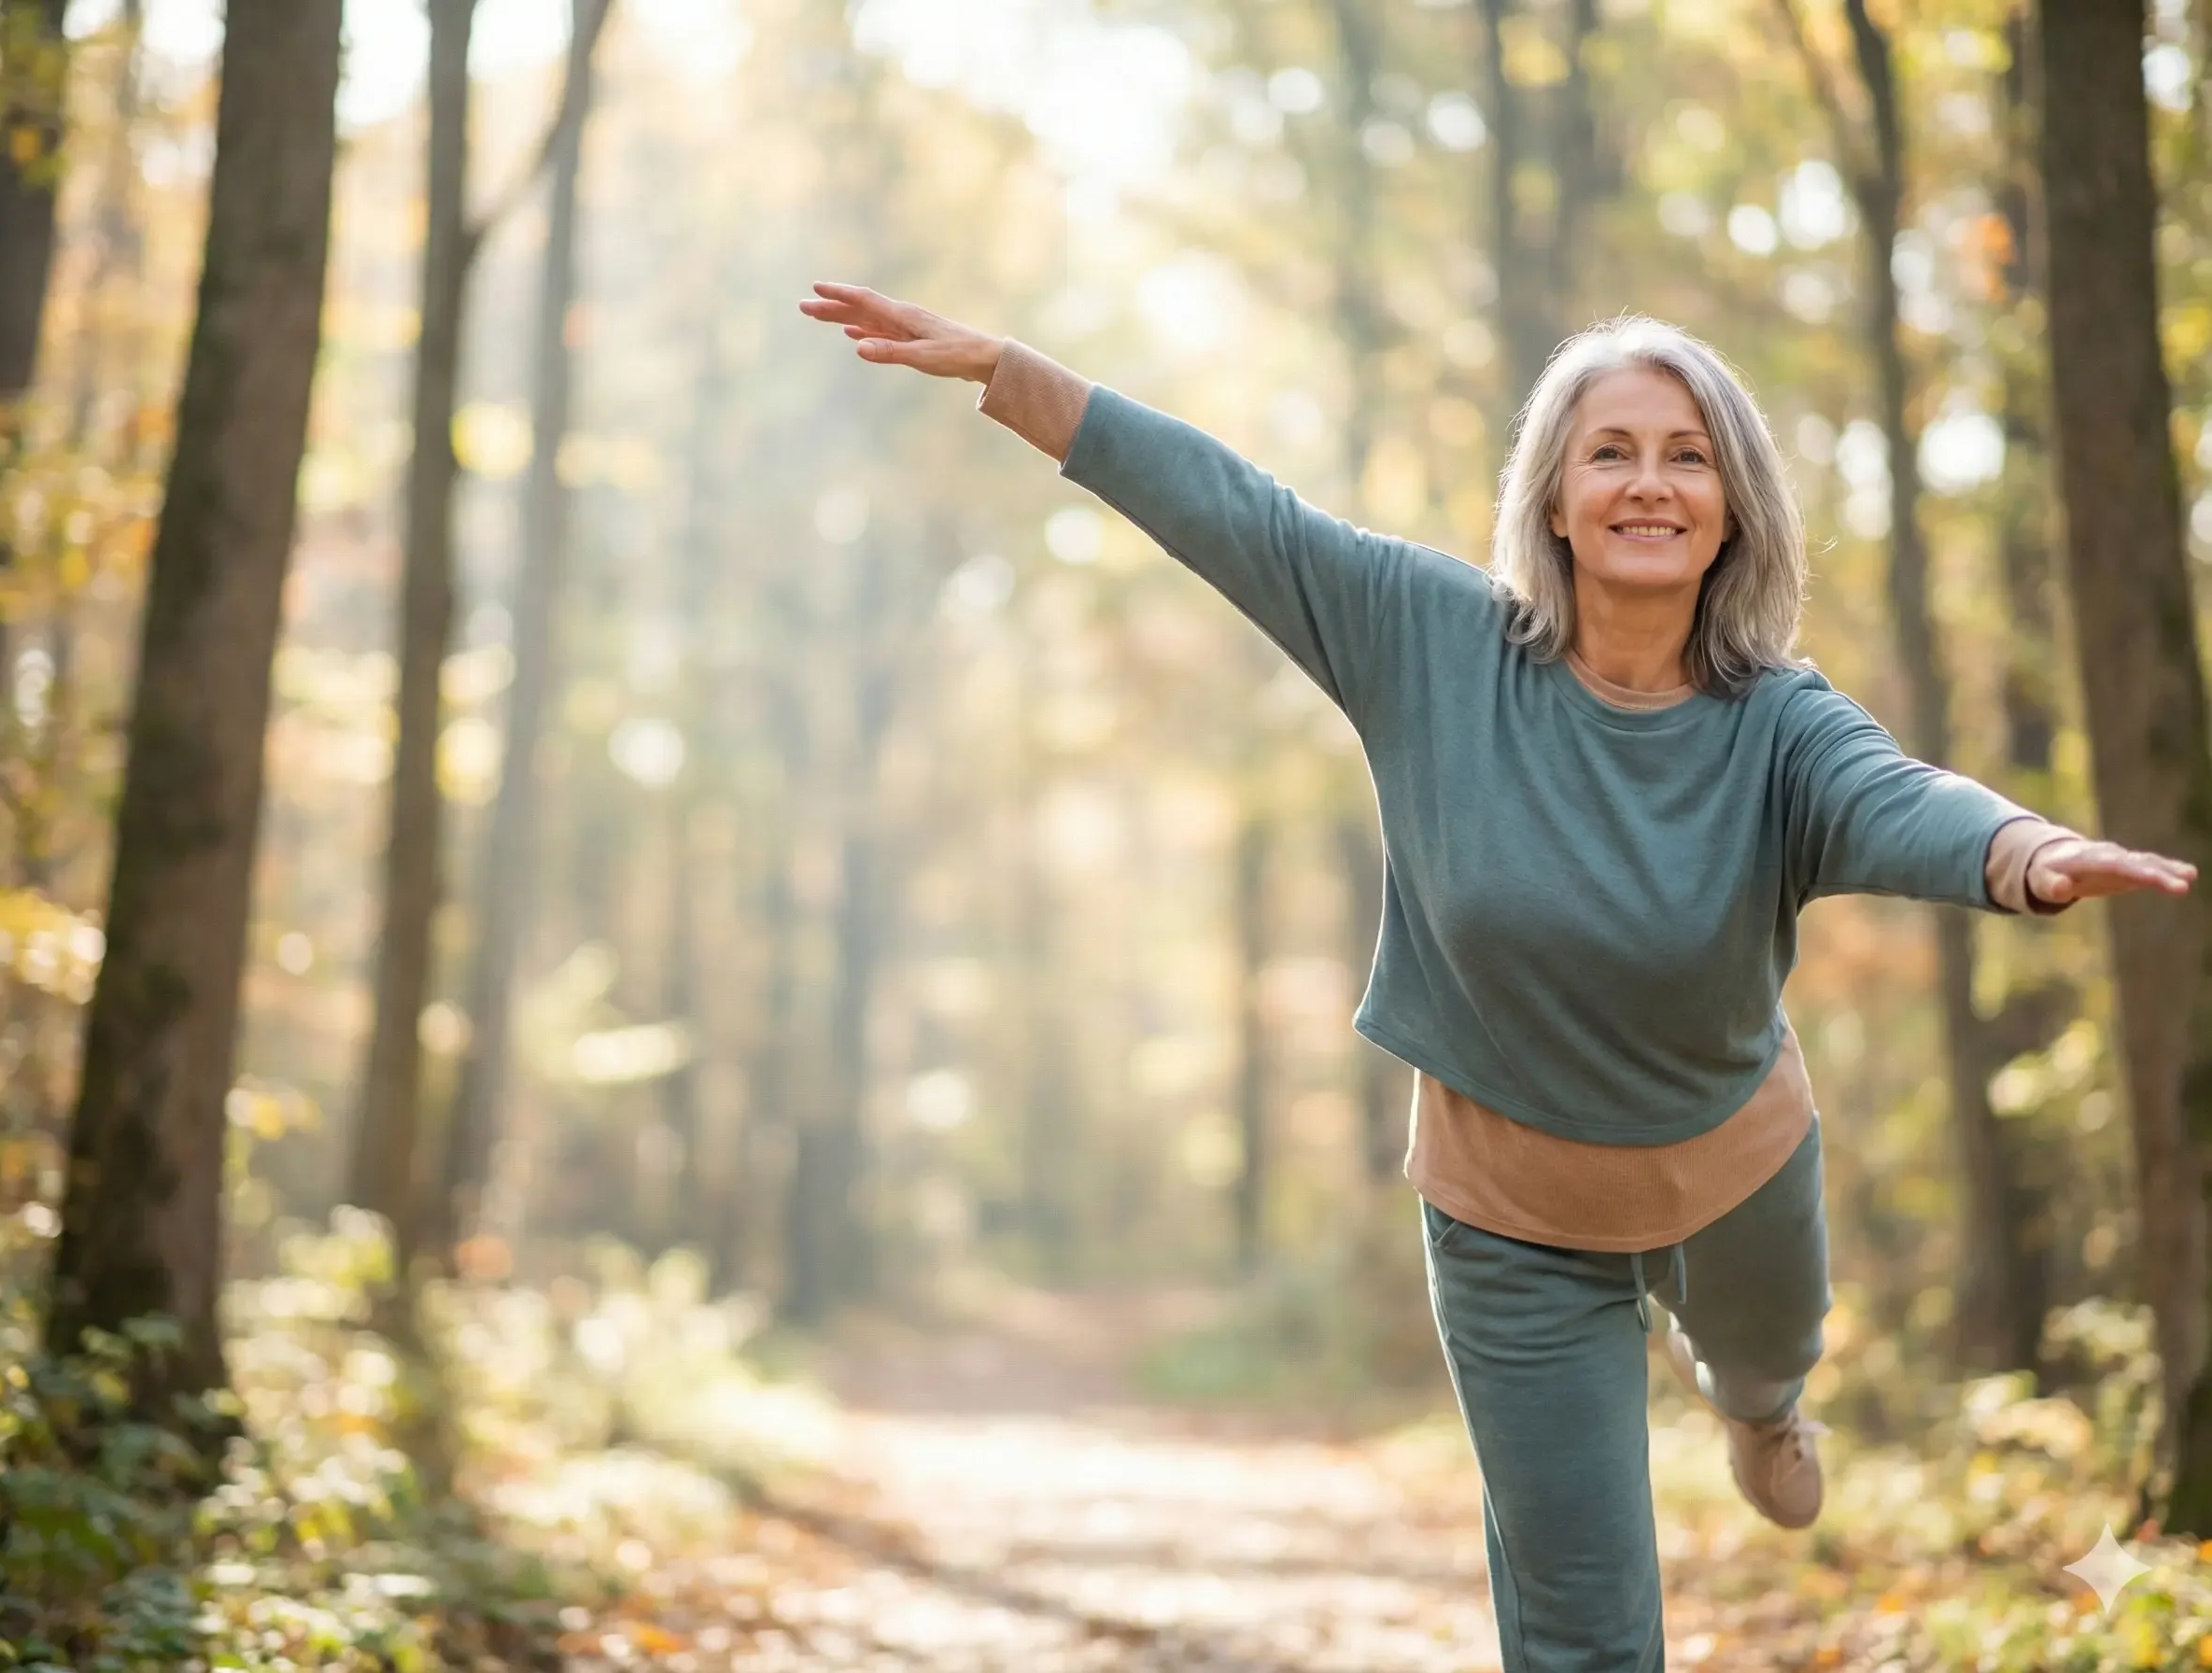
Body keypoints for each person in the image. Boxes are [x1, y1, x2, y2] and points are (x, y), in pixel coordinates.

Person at [798, 280, 2199, 1671]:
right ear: (1554, 499)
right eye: (1611, 452)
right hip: (1510, 1216)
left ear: (1731, 509)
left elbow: (1896, 797)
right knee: (1585, 1627)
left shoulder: (1780, 721)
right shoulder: (1428, 640)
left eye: (1688, 455)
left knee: (1773, 1353)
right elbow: (1234, 510)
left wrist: (2028, 852)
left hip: (1735, 1170)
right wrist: (1014, 373)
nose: (1648, 483)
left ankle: (1761, 1409)